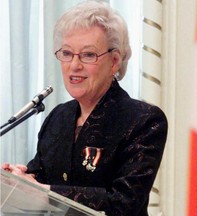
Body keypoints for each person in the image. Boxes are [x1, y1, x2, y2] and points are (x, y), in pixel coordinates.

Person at [1, 1, 168, 215]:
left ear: (115, 61)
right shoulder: (59, 116)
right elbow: (39, 177)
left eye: (88, 55)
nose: (74, 65)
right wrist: (16, 179)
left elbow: (124, 202)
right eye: (67, 53)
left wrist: (46, 191)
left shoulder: (144, 120)